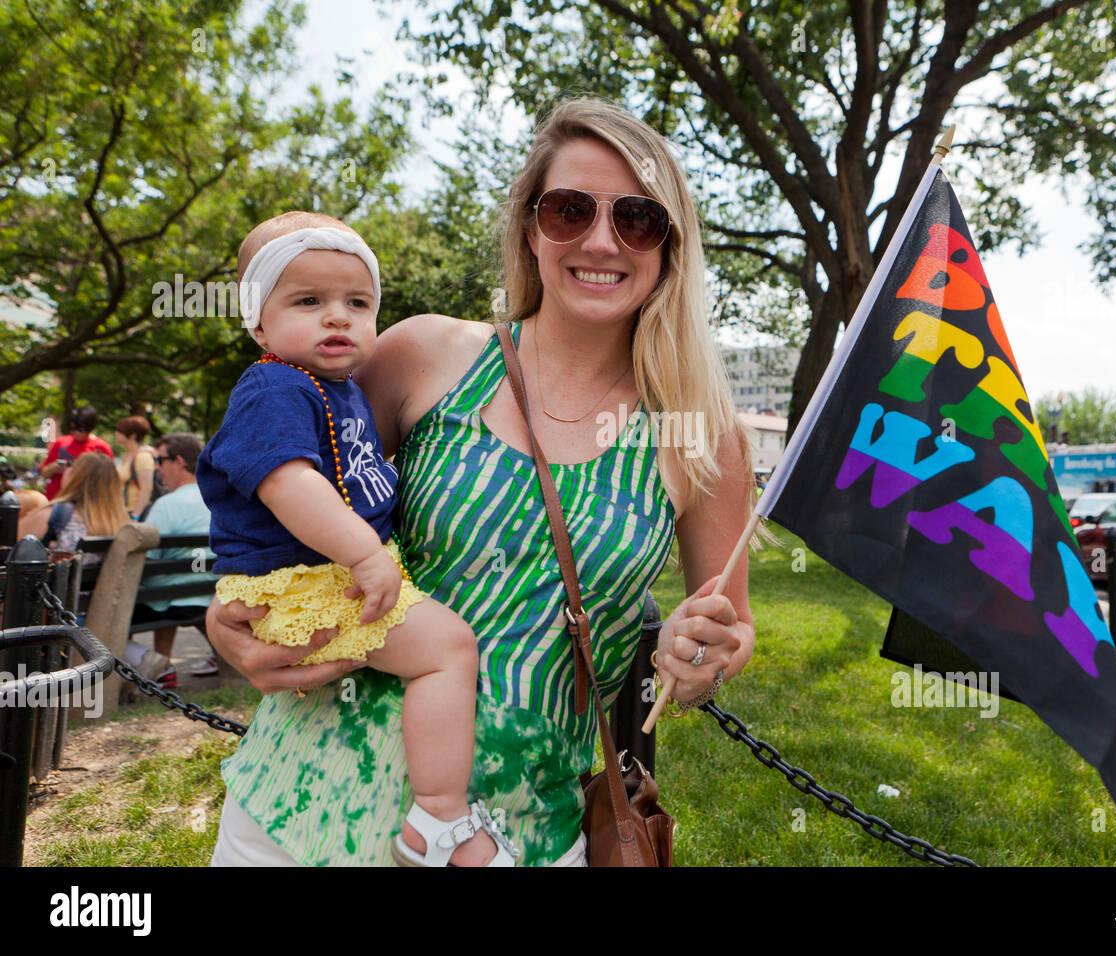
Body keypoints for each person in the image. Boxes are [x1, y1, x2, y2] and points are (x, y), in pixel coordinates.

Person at [206, 98, 759, 867]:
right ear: (532, 229)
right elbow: (276, 477)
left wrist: (699, 658)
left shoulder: (704, 434)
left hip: (520, 835)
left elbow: (729, 626)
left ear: (670, 244)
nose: (601, 240)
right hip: (302, 804)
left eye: (637, 218)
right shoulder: (426, 353)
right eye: (570, 210)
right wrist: (227, 616)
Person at [197, 210, 514, 866]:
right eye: (308, 301)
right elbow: (290, 484)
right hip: (309, 581)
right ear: (259, 322)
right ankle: (440, 818)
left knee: (442, 648)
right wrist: (368, 555)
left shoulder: (336, 390)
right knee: (448, 649)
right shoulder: (273, 386)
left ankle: (436, 813)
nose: (337, 317)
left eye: (357, 302)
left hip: (318, 576)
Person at [124, 433, 218, 689]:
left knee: (120, 607)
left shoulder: (167, 504)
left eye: (160, 460)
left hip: (172, 600)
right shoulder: (217, 499)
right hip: (211, 593)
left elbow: (147, 559)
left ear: (178, 461)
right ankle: (164, 667)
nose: (156, 467)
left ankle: (148, 667)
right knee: (166, 587)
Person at [18, 453, 131, 562]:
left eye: (70, 466)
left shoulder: (55, 514)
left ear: (75, 476)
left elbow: (10, 541)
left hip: (54, 581)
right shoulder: (119, 523)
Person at [38, 406, 113, 499]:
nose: (77, 433)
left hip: (86, 499)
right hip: (56, 497)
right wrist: (52, 468)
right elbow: (43, 472)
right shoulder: (60, 442)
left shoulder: (101, 447)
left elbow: (109, 478)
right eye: (73, 429)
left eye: (82, 430)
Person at [113, 415, 159, 520]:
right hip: (122, 512)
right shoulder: (127, 455)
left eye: (120, 431)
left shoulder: (143, 457)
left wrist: (135, 516)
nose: (116, 433)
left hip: (134, 513)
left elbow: (147, 489)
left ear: (132, 435)